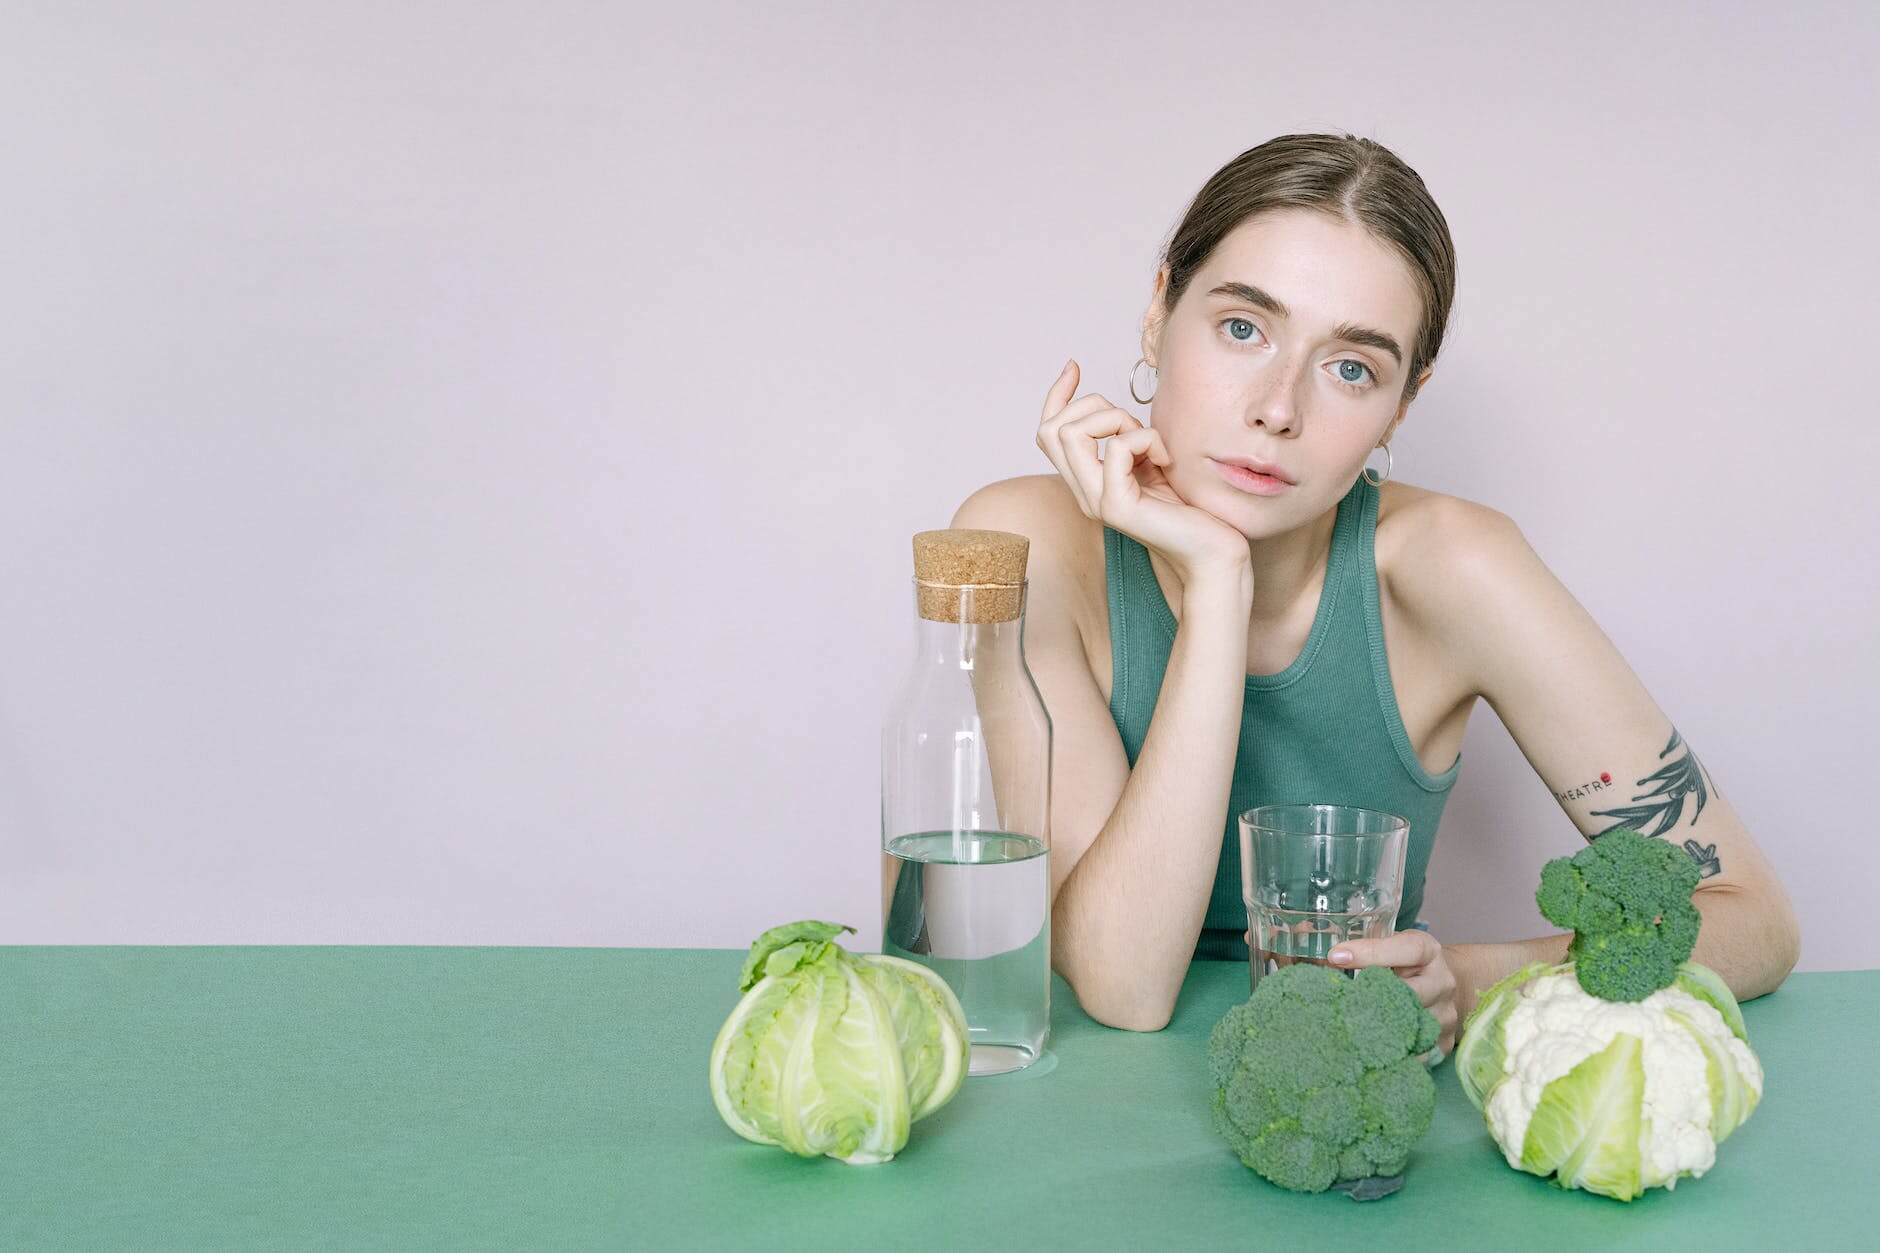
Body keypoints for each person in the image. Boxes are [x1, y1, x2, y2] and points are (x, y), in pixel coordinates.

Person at [951, 133, 1800, 1050]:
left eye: (1351, 367)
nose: (1278, 407)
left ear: (1404, 403)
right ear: (1159, 311)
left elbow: (1753, 918)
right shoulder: (1022, 544)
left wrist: (1473, 978)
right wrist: (1219, 580)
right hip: (1087, 1110)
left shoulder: (1456, 565)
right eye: (1243, 327)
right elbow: (1125, 982)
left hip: (1360, 1095)